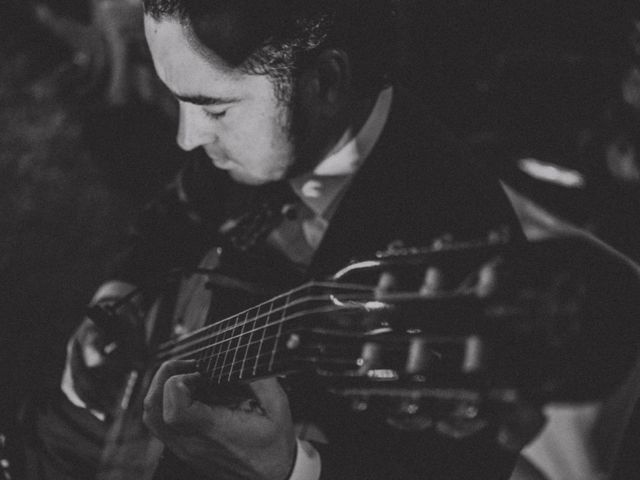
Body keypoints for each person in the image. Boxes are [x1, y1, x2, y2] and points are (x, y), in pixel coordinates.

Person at [20, 1, 531, 479]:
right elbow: (174, 214)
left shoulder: (460, 228)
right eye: (180, 102)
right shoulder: (262, 144)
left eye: (215, 110)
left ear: (324, 82)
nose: (185, 137)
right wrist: (117, 293)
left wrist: (292, 467)